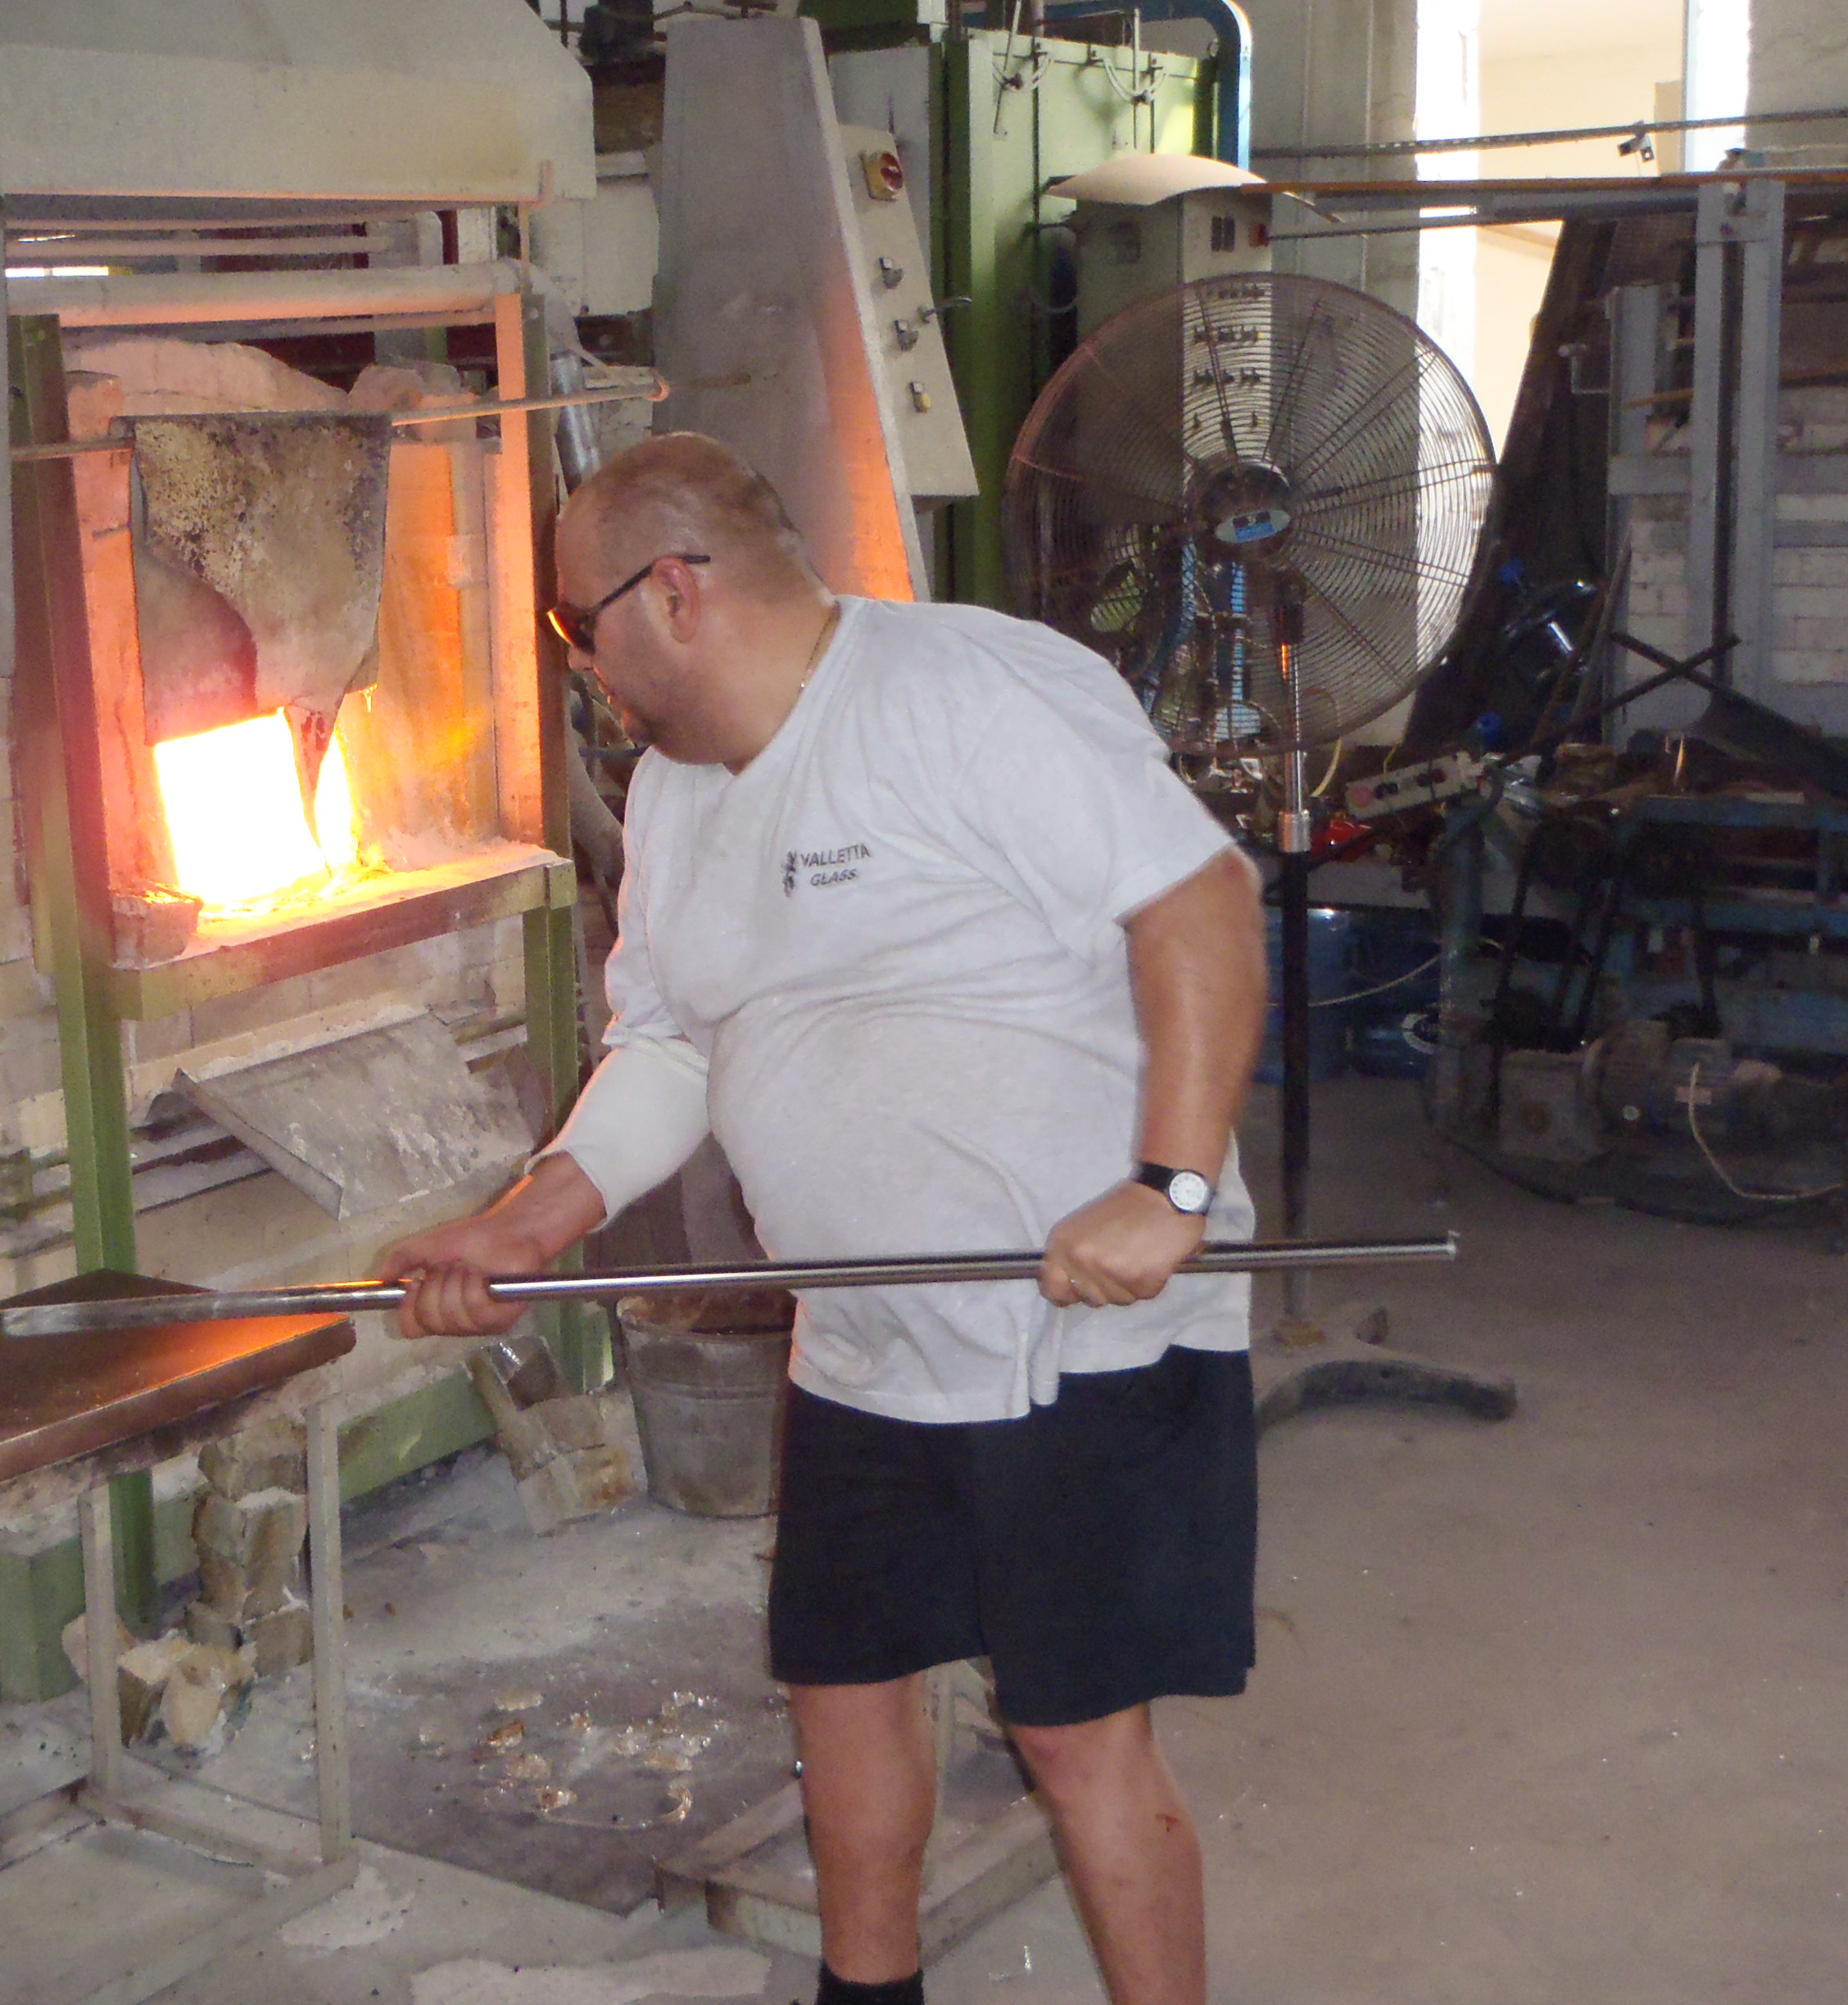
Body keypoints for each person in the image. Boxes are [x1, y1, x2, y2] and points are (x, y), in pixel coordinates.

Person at [379, 434, 1268, 2005]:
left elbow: (1199, 902)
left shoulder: (963, 692)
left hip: (1079, 1331)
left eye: (582, 629)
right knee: (843, 1688)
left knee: (1074, 1734)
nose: (584, 671)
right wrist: (528, 1223)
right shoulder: (675, 794)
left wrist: (1170, 1188)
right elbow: (672, 1043)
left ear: (673, 591)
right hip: (863, 1339)